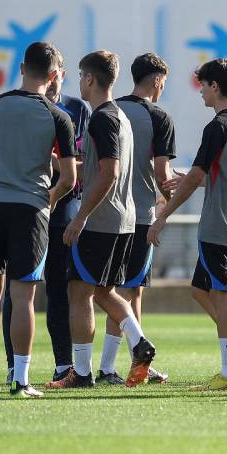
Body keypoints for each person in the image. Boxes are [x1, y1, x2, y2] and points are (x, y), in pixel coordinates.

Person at [0, 41, 78, 398]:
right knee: (24, 296)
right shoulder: (58, 116)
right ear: (54, 75)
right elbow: (69, 178)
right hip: (30, 209)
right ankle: (21, 379)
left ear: (21, 68)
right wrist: (46, 199)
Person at [148, 58, 227, 392]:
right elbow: (215, 174)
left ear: (215, 86)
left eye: (203, 85)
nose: (200, 91)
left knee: (222, 295)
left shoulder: (218, 126)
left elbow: (199, 173)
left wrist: (163, 215)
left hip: (218, 225)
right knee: (201, 289)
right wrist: (188, 180)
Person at [46, 51, 156, 390]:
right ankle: (139, 343)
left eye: (80, 76)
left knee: (78, 292)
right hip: (123, 219)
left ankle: (80, 373)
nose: (79, 82)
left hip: (101, 221)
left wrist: (80, 216)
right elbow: (102, 167)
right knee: (105, 291)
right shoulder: (118, 116)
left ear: (90, 79)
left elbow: (110, 172)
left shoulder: (102, 118)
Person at [0, 50, 89, 385]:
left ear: (60, 75)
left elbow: (84, 165)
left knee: (59, 289)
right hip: (24, 207)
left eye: (59, 74)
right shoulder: (15, 106)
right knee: (18, 289)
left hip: (63, 211)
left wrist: (58, 165)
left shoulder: (77, 110)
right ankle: (13, 365)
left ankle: (63, 364)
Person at [112, 52, 180, 384]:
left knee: (116, 289)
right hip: (139, 214)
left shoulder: (112, 109)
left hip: (106, 213)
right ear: (156, 81)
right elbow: (162, 173)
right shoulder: (158, 117)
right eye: (164, 83)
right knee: (131, 290)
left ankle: (123, 365)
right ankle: (120, 365)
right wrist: (173, 198)